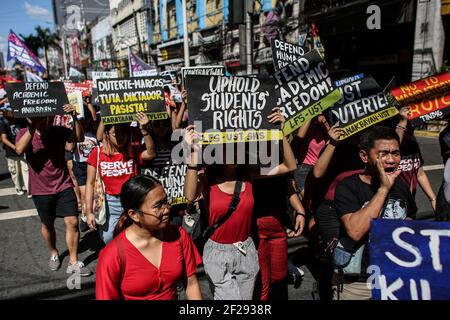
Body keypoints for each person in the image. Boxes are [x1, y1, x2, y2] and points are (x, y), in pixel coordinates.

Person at [184, 108, 297, 300]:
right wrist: (192, 154)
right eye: (228, 146)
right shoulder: (207, 178)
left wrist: (280, 133)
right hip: (217, 252)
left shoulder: (249, 175)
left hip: (247, 250)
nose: (235, 150)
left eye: (238, 145)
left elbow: (290, 165)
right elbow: (189, 195)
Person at [332, 126, 417, 300]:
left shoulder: (400, 186)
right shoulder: (348, 187)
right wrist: (384, 188)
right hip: (357, 284)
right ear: (364, 156)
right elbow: (355, 231)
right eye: (383, 154)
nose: (391, 160)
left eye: (396, 153)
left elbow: (410, 223)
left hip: (395, 279)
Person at [95, 175, 202, 300]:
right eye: (158, 206)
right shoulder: (112, 255)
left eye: (165, 202)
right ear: (134, 215)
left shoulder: (178, 235)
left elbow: (191, 283)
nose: (166, 209)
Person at [14, 105, 91, 275]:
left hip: (63, 185)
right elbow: (19, 150)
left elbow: (77, 139)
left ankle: (73, 261)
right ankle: (54, 253)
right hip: (41, 189)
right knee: (47, 224)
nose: (43, 121)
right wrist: (33, 126)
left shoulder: (58, 131)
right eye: (38, 118)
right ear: (29, 118)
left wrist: (74, 117)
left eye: (45, 118)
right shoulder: (23, 133)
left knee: (72, 222)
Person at [85, 113, 156, 244]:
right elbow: (89, 183)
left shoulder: (132, 150)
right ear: (107, 134)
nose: (120, 136)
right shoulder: (97, 153)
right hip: (109, 203)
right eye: (115, 133)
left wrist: (145, 131)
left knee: (136, 237)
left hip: (131, 201)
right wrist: (89, 212)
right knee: (108, 238)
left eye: (123, 132)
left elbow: (151, 154)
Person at [252, 175, 306, 300]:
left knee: (279, 278)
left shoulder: (282, 162)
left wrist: (300, 211)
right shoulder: (249, 162)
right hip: (256, 229)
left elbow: (289, 188)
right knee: (262, 281)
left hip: (277, 228)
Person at [0, 107, 29, 196]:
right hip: (11, 151)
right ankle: (18, 187)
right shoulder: (3, 122)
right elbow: (4, 139)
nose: (12, 112)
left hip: (22, 149)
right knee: (15, 171)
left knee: (26, 169)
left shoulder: (20, 120)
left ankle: (29, 189)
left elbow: (29, 129)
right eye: (9, 111)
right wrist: (15, 147)